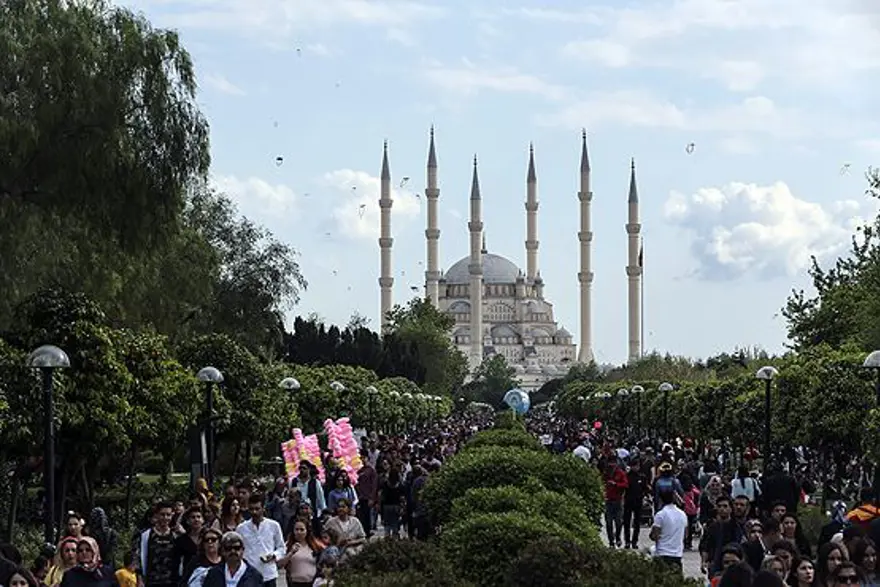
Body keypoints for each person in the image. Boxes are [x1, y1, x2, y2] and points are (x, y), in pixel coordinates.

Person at [651, 490, 688, 574]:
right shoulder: (682, 514)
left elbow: (655, 535)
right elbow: (685, 534)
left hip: (663, 552)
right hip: (677, 554)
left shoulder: (660, 515)